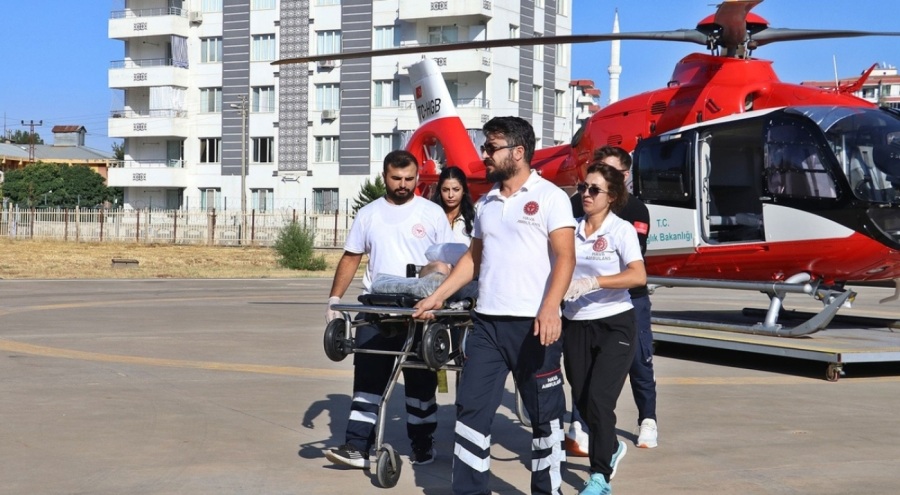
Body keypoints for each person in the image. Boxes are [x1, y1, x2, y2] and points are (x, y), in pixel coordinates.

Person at [413, 116, 576, 495]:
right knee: (471, 410)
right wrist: (436, 296)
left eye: (491, 147)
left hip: (534, 325)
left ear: (518, 153)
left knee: (544, 416)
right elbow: (473, 259)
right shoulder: (485, 203)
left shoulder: (550, 198)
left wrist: (551, 307)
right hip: (486, 323)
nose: (483, 155)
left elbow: (566, 257)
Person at [323, 149, 454, 469]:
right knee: (368, 378)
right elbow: (351, 256)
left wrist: (442, 298)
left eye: (410, 179)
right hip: (377, 307)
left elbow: (449, 261)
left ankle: (422, 445)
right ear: (385, 176)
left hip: (421, 307)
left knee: (421, 384)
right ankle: (356, 446)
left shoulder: (432, 212)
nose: (403, 184)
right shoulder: (369, 213)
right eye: (396, 178)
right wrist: (335, 301)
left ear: (418, 179)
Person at [566, 146, 658, 454]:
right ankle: (583, 426)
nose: (589, 191)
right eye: (586, 184)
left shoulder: (634, 212)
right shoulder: (575, 209)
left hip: (628, 301)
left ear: (623, 178)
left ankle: (647, 419)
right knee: (584, 380)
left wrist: (594, 281)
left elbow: (635, 268)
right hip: (580, 311)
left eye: (608, 174)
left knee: (639, 361)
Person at [431, 165, 476, 246]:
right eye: (445, 190)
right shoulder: (431, 216)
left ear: (464, 190)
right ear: (440, 191)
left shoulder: (474, 218)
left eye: (456, 190)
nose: (450, 195)